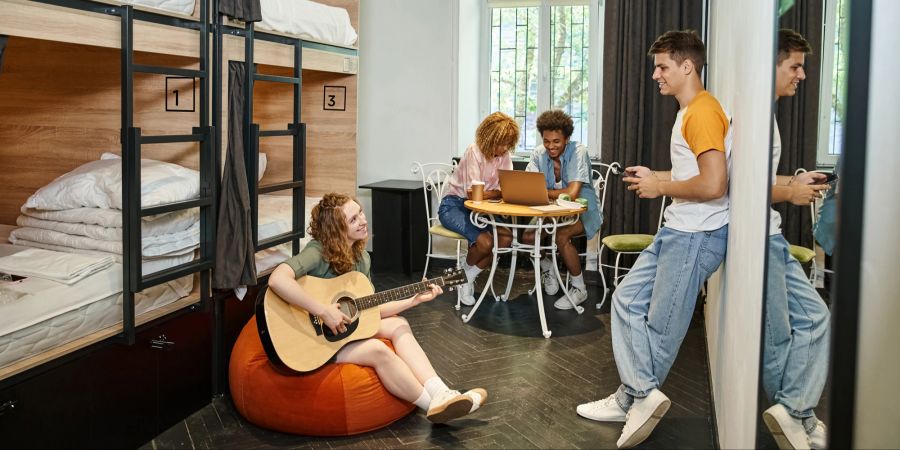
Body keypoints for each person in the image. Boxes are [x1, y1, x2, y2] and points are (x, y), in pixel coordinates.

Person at [574, 30, 732, 449]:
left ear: (687, 66)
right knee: (626, 300)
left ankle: (636, 399)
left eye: (662, 67)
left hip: (697, 234)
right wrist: (659, 177)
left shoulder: (701, 111)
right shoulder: (691, 112)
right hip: (679, 228)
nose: (655, 75)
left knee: (661, 329)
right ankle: (636, 395)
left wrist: (661, 188)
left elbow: (715, 184)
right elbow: (696, 177)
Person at [268, 193, 487, 424]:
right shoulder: (318, 251)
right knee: (377, 350)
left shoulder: (362, 257)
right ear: (336, 229)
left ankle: (442, 393)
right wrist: (323, 311)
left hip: (342, 334)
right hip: (315, 341)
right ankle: (432, 406)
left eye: (360, 212)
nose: (362, 220)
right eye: (353, 220)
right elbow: (277, 279)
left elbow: (372, 308)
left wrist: (415, 300)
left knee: (399, 323)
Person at [760, 29, 830, 450]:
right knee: (781, 334)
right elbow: (738, 184)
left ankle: (795, 411)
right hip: (761, 238)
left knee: (813, 319)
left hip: (771, 235)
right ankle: (794, 414)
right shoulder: (754, 117)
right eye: (795, 66)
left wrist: (795, 180)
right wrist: (790, 192)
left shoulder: (766, 115)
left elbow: (760, 179)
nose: (802, 75)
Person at [522, 109, 602, 310]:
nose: (550, 146)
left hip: (584, 210)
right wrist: (541, 192)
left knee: (561, 236)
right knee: (529, 238)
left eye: (556, 141)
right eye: (546, 141)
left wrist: (543, 192)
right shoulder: (539, 154)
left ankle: (579, 288)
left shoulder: (578, 151)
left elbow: (573, 193)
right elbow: (528, 185)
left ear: (567, 138)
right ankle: (549, 268)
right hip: (551, 210)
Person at [438, 112, 517, 306]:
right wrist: (497, 192)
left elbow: (508, 188)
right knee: (485, 243)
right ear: (490, 137)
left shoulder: (504, 155)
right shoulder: (474, 151)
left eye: (508, 143)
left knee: (506, 239)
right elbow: (473, 195)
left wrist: (496, 193)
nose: (504, 148)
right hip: (454, 205)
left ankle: (464, 276)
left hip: (485, 209)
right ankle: (464, 279)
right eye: (501, 142)